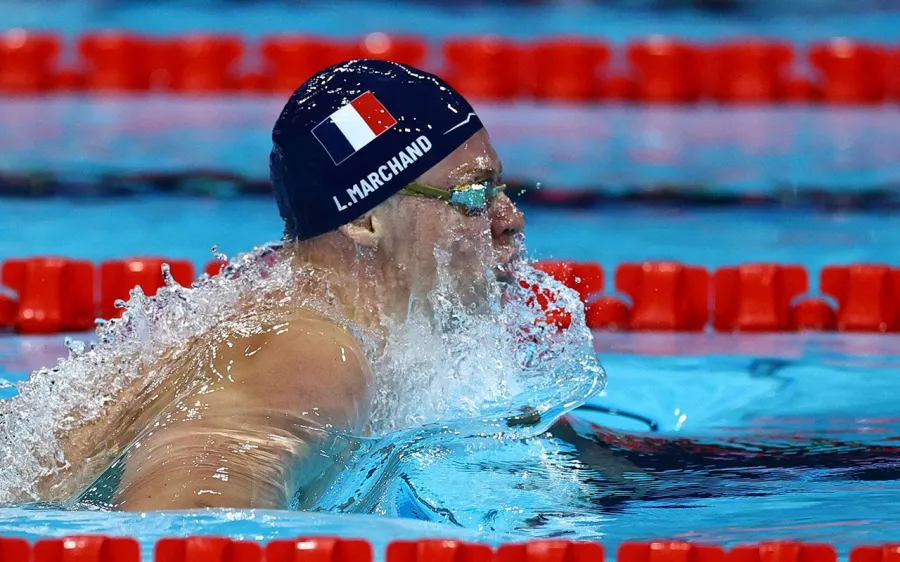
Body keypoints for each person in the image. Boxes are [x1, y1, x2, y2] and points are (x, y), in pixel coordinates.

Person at [25, 59, 525, 511]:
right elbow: (184, 534)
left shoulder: (325, 332)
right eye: (474, 193)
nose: (510, 219)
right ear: (366, 219)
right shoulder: (310, 354)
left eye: (502, 189)